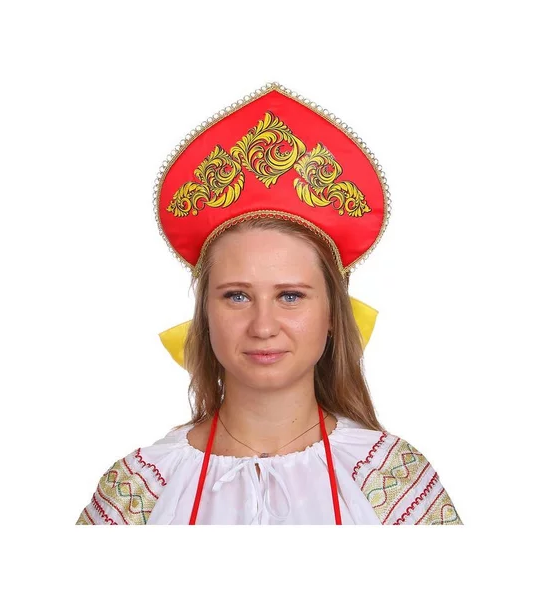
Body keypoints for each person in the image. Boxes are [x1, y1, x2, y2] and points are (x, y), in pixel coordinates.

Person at [76, 83, 463, 525]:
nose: (263, 326)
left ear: (333, 315)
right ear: (205, 315)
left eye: (290, 296)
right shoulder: (139, 490)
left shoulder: (395, 481)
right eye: (237, 296)